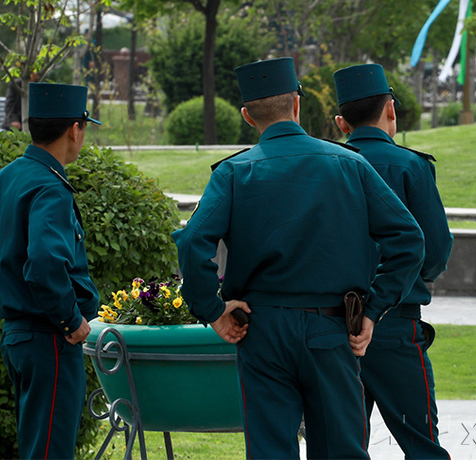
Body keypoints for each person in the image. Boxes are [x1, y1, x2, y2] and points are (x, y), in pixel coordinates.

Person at [172, 57, 426, 459]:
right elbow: (409, 240)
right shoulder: (350, 164)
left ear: (246, 116)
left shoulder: (233, 173)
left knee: (270, 450)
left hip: (262, 329)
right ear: (297, 104)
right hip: (331, 327)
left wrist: (212, 309)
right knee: (339, 450)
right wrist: (374, 309)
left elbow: (191, 243)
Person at [0, 83, 102, 459]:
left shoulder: (6, 177)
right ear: (74, 128)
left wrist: (11, 291)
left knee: (37, 446)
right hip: (50, 338)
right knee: (50, 451)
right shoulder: (50, 187)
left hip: (19, 338)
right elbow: (46, 262)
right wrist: (70, 320)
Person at [333, 64, 453, 459]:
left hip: (330, 325)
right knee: (421, 445)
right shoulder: (412, 166)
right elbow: (433, 250)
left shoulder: (325, 164)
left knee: (340, 446)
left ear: (340, 122)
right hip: (396, 323)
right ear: (391, 110)